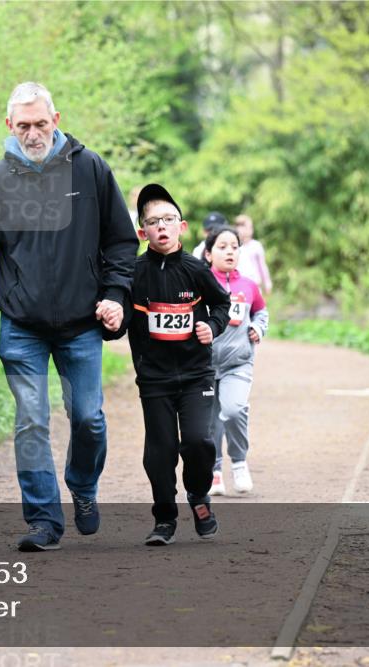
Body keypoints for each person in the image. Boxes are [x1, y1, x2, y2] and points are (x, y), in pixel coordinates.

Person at [0, 82, 138, 552]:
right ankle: (43, 520)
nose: (32, 133)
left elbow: (120, 241)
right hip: (22, 325)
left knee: (88, 419)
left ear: (56, 119)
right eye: (23, 126)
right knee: (31, 422)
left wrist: (115, 294)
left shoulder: (90, 169)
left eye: (40, 123)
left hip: (82, 322)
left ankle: (84, 486)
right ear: (8, 126)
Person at [116, 183, 230, 546]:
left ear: (182, 227)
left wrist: (212, 326)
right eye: (153, 222)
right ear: (142, 232)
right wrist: (110, 320)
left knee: (198, 441)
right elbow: (117, 325)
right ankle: (164, 518)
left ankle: (198, 494)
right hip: (154, 379)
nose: (161, 226)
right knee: (160, 452)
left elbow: (222, 305)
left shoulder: (196, 269)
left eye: (168, 219)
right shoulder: (133, 273)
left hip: (196, 374)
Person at [202, 226, 269, 496]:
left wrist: (258, 328)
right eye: (222, 247)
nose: (230, 251)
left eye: (234, 247)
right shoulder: (199, 283)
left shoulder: (249, 285)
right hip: (204, 365)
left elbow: (261, 312)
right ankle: (215, 471)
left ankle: (239, 462)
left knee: (233, 410)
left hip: (238, 362)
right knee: (210, 422)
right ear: (208, 254)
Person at [234, 214, 273, 295]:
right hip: (239, 287)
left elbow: (262, 266)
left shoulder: (256, 246)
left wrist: (267, 283)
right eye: (245, 227)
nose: (249, 230)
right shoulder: (234, 247)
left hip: (255, 285)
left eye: (251, 227)